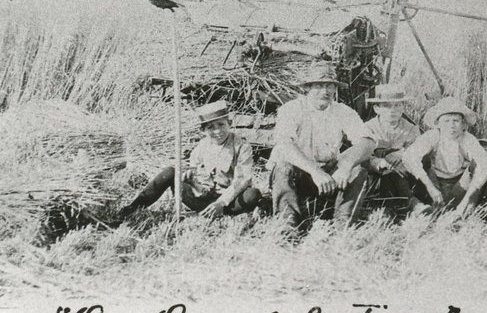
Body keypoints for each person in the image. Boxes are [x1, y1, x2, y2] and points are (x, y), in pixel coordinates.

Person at [268, 65, 375, 230]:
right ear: (308, 88)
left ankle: (343, 224)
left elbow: (367, 142)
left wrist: (346, 166)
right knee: (283, 166)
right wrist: (314, 171)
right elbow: (284, 145)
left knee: (357, 169)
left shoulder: (342, 111)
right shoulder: (292, 109)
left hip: (329, 175)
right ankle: (287, 226)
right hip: (300, 175)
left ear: (335, 89)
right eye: (318, 86)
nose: (325, 91)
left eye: (330, 86)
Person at [119, 100, 260, 219]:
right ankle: (130, 209)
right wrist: (192, 182)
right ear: (203, 131)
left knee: (252, 195)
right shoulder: (201, 148)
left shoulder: (242, 146)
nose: (217, 131)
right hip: (203, 200)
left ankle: (221, 214)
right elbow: (199, 183)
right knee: (170, 172)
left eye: (221, 125)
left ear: (229, 123)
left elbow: (242, 180)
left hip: (228, 202)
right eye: (211, 127)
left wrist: (221, 203)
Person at [402, 97, 487, 217]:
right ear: (438, 124)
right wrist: (430, 187)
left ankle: (467, 208)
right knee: (421, 159)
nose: (451, 125)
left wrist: (467, 199)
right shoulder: (433, 135)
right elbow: (409, 157)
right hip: (434, 185)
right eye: (446, 121)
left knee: (479, 166)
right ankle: (424, 207)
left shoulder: (467, 139)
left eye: (456, 121)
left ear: (463, 124)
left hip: (460, 186)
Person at [362, 83, 421, 214]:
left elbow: (417, 148)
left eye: (397, 105)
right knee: (387, 171)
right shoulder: (368, 128)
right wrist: (379, 163)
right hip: (376, 175)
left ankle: (389, 207)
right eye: (387, 106)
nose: (392, 110)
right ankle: (409, 202)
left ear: (403, 108)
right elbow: (363, 153)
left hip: (403, 173)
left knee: (394, 170)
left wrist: (401, 154)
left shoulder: (411, 128)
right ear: (377, 108)